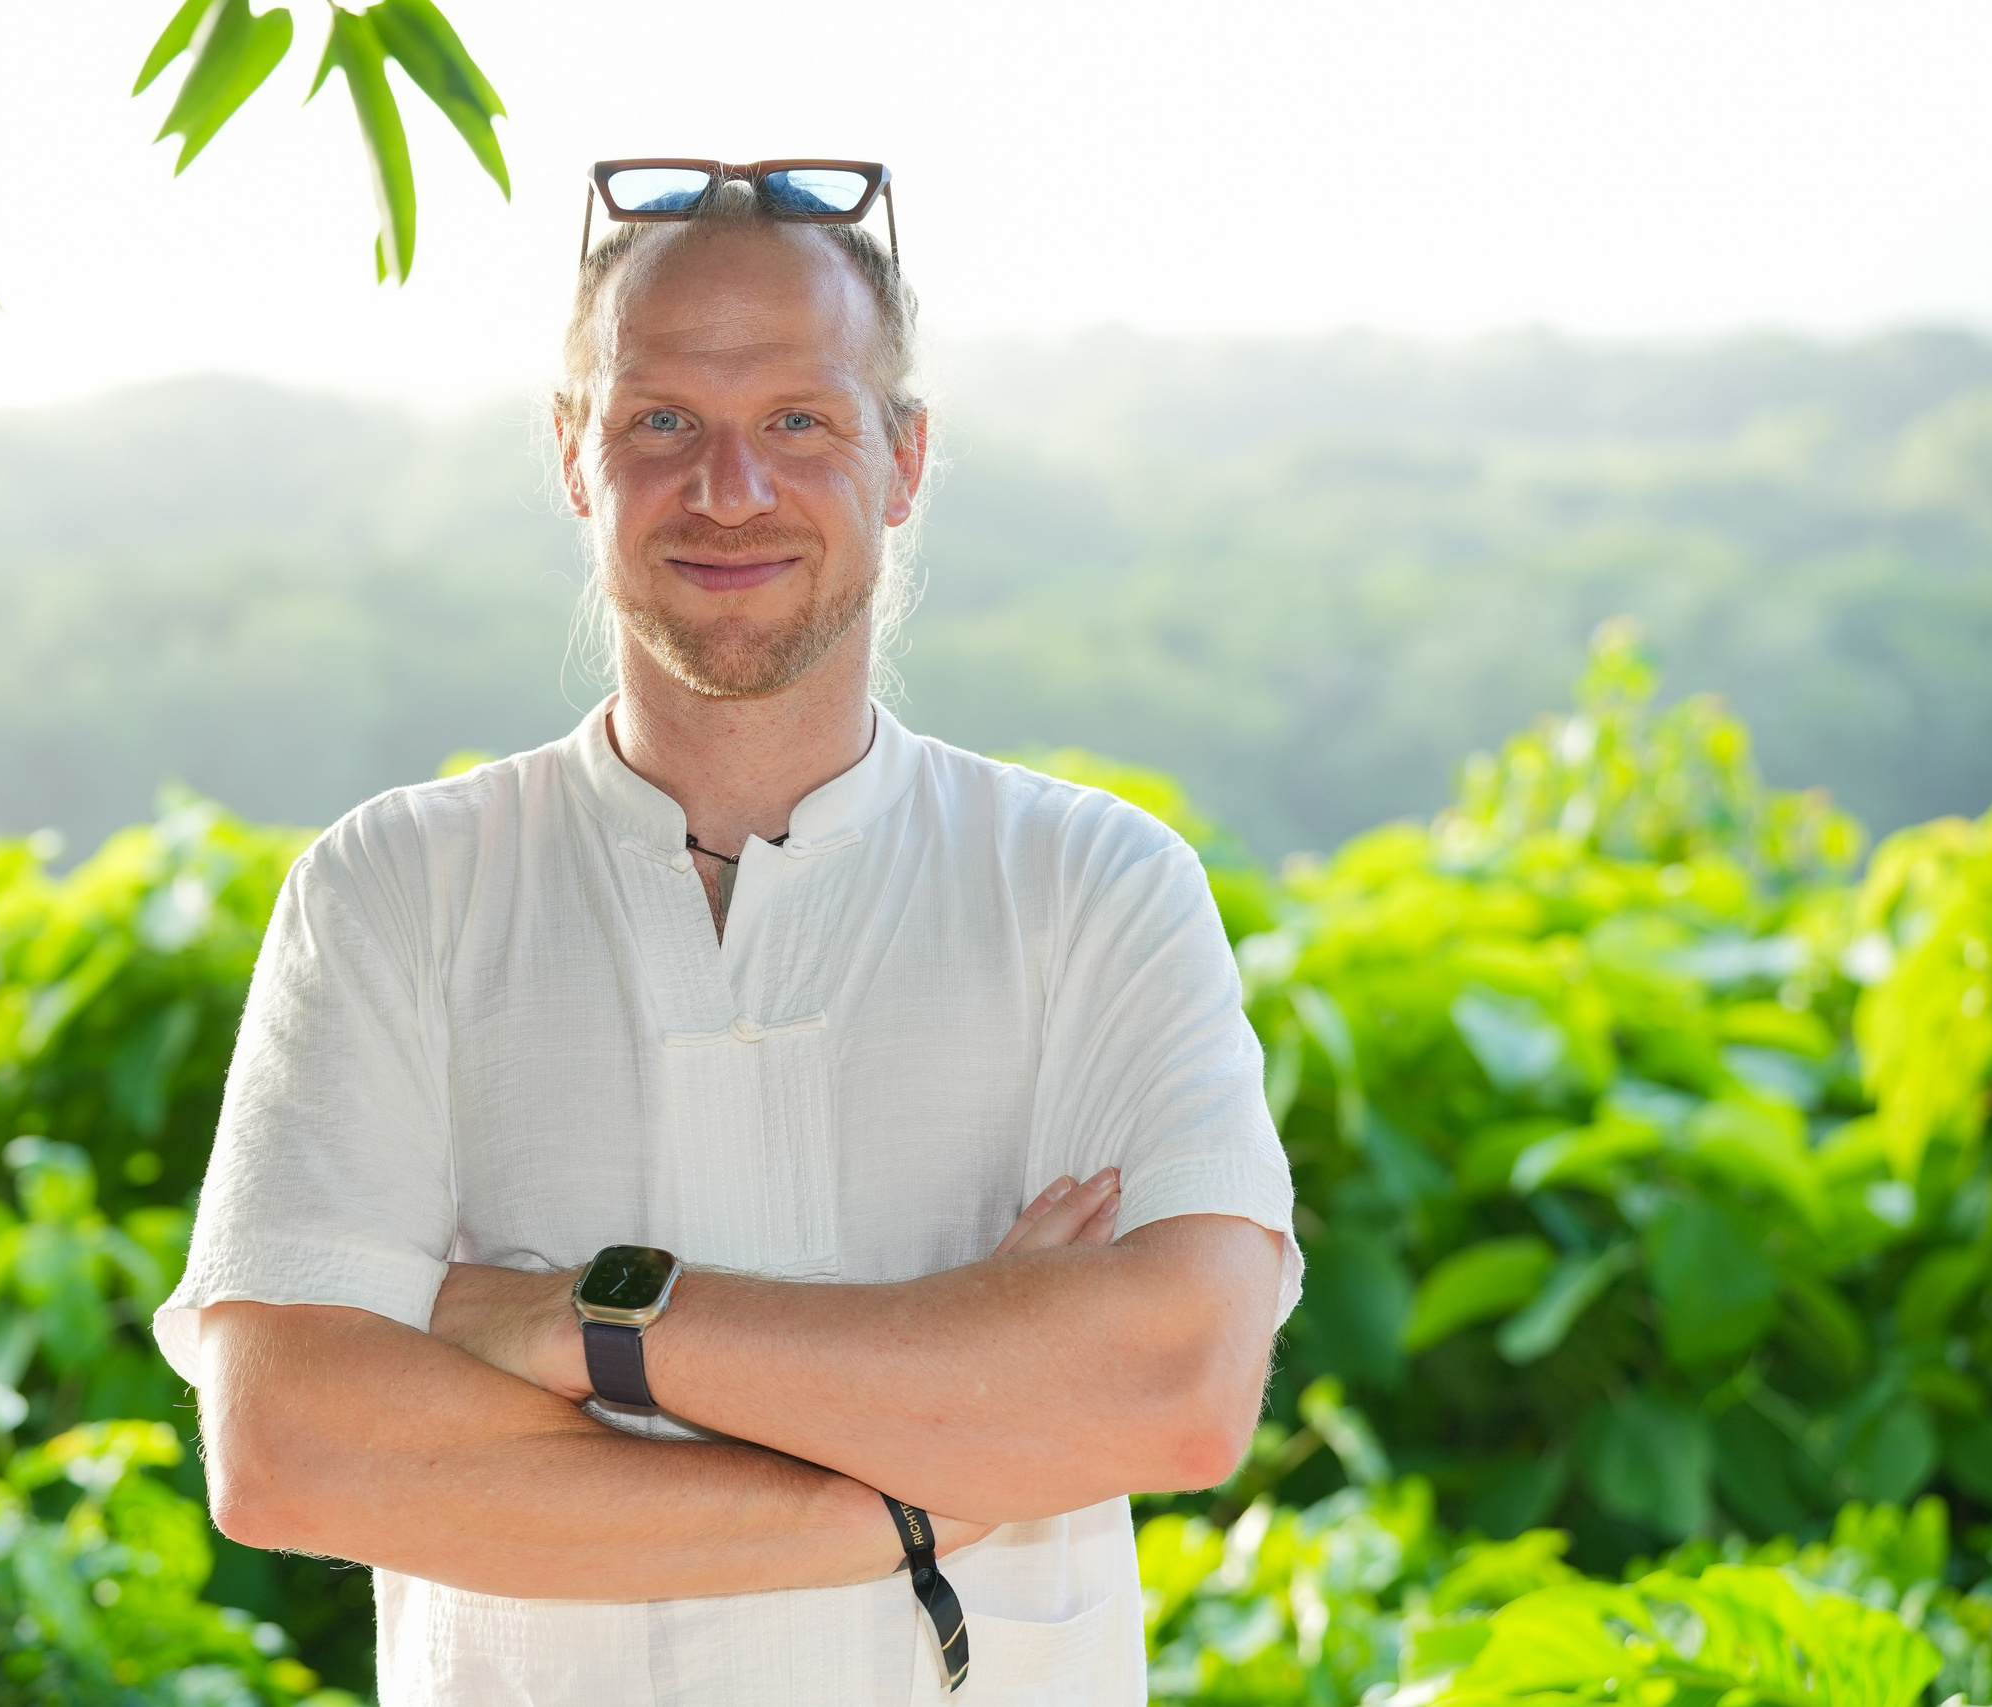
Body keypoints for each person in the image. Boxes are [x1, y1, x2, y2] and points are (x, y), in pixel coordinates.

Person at [152, 164, 1300, 1706]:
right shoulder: (393, 892)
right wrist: (905, 1493)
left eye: (799, 423)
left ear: (904, 459)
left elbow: (1174, 1392)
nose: (731, 490)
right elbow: (294, 1448)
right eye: (662, 423)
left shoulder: (1094, 885)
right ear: (574, 454)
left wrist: (577, 1317)